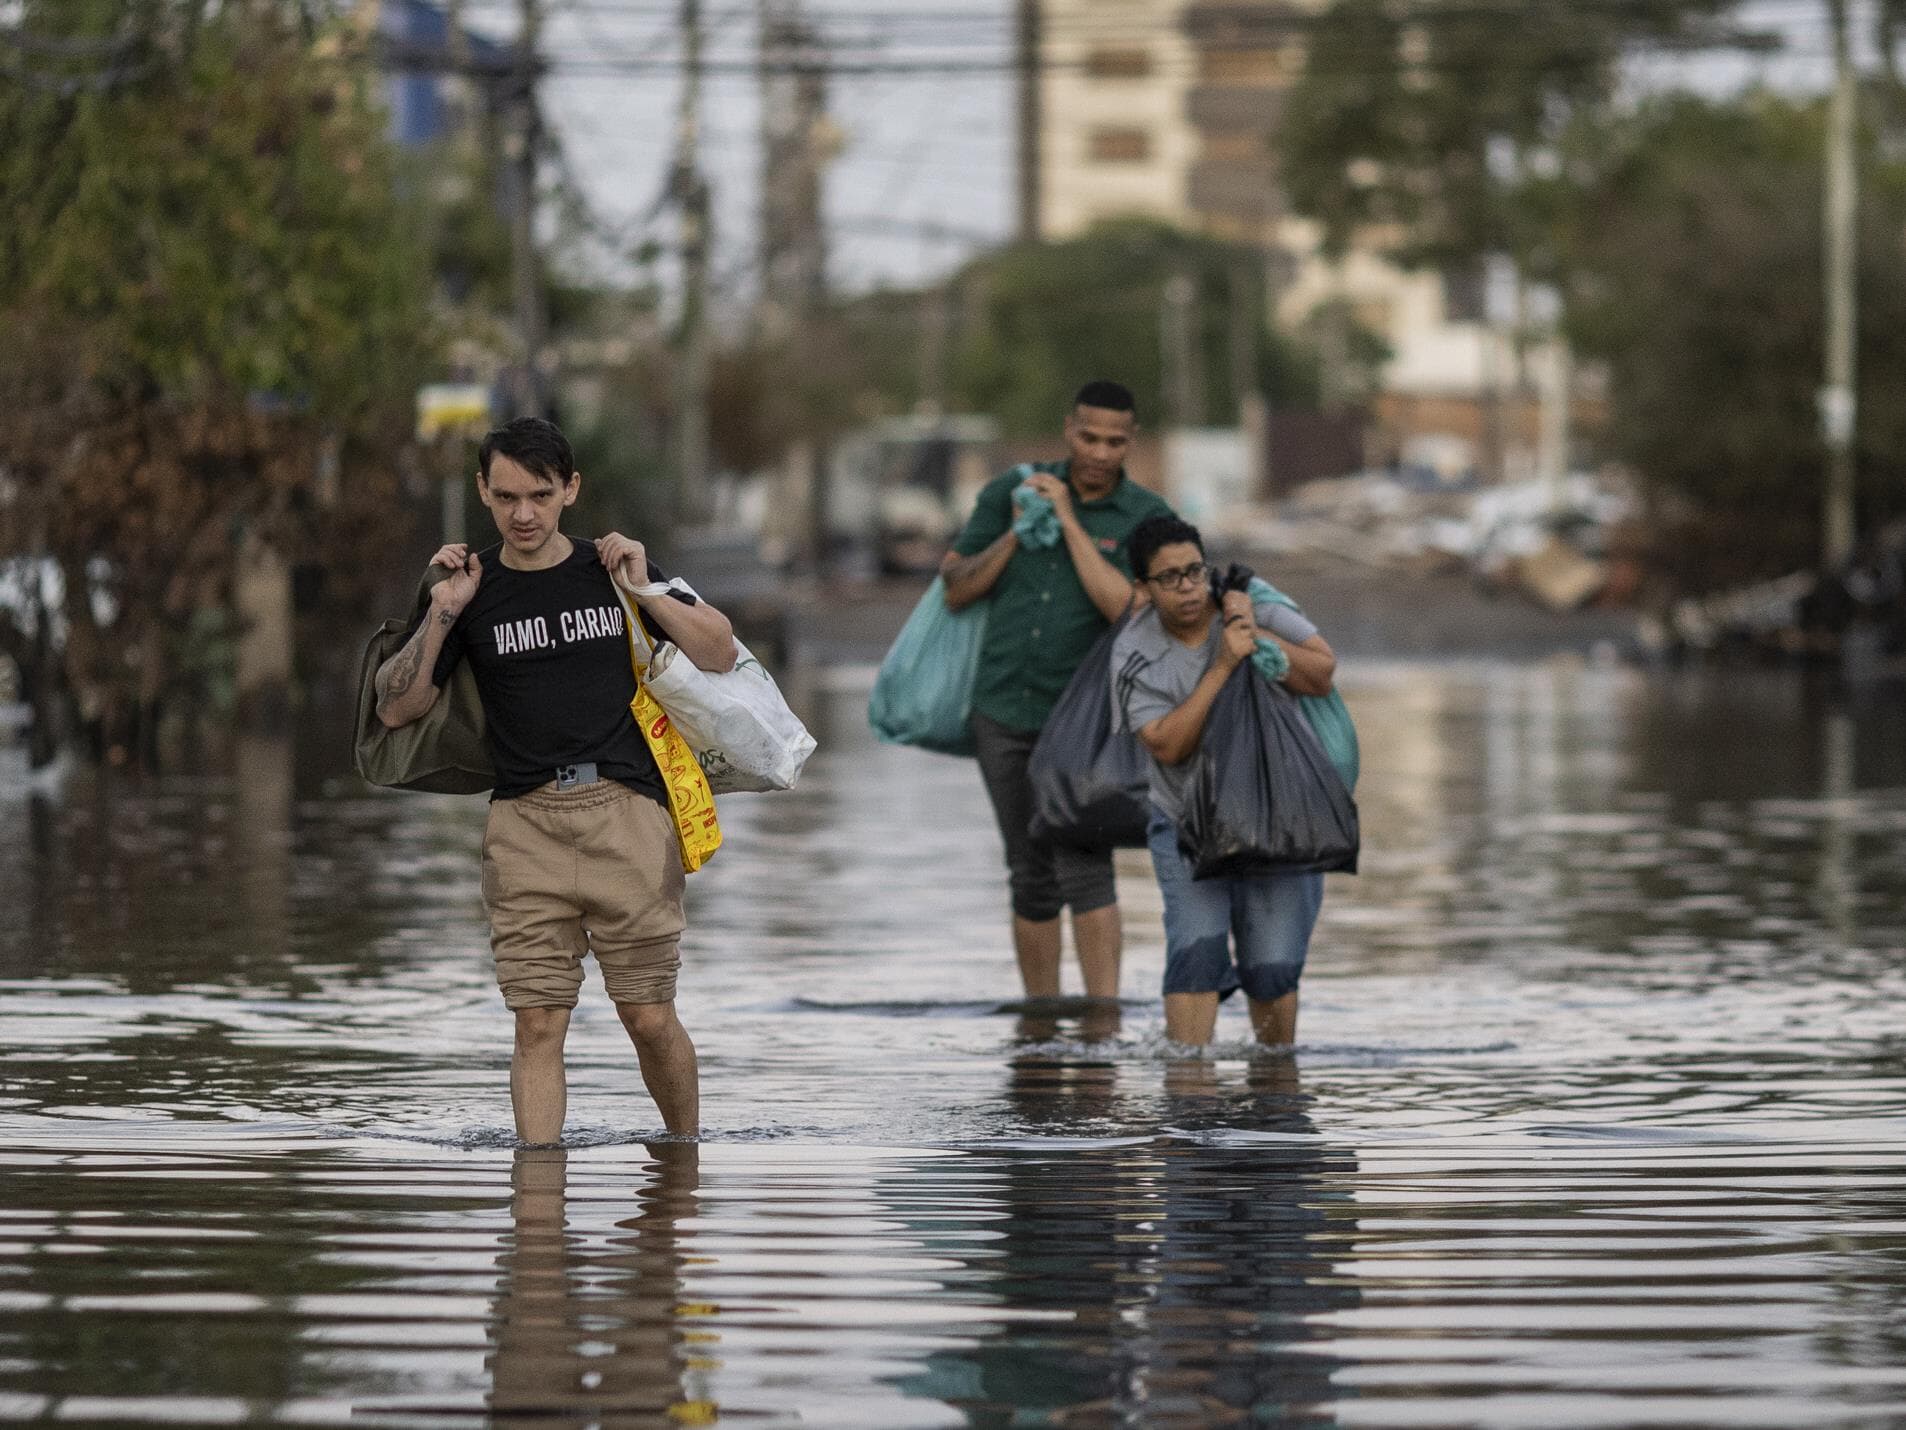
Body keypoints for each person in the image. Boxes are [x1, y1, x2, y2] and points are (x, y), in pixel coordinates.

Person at [373, 416, 737, 1142]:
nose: (523, 514)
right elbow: (396, 707)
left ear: (571, 489)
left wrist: (646, 591)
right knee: (537, 1022)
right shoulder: (468, 588)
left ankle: (684, 1161)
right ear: (482, 490)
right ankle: (537, 1216)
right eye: (505, 496)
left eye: (539, 494)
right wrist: (441, 614)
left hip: (627, 816)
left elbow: (721, 651)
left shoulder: (614, 568)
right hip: (524, 825)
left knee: (648, 1015)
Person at [940, 380, 1175, 1001]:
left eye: (1114, 441)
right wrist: (1020, 529)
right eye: (1088, 436)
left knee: (1086, 864)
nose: (1099, 451)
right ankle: (1040, 1023)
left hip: (1087, 721)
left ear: (1132, 441)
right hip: (1002, 708)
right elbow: (957, 587)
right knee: (1029, 870)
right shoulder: (1009, 491)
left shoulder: (1148, 517)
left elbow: (1129, 609)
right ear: (1068, 429)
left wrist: (1068, 520)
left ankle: (1103, 1023)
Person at [1112, 515, 1337, 1047]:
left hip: (1281, 818)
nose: (1188, 587)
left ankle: (1275, 1086)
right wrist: (1222, 663)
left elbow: (1323, 674)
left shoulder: (1250, 600)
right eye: (1169, 578)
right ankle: (1189, 1099)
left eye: (1194, 570)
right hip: (1186, 823)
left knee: (1273, 967)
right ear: (1142, 589)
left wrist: (1252, 633)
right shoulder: (1133, 653)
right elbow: (1167, 744)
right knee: (1195, 954)